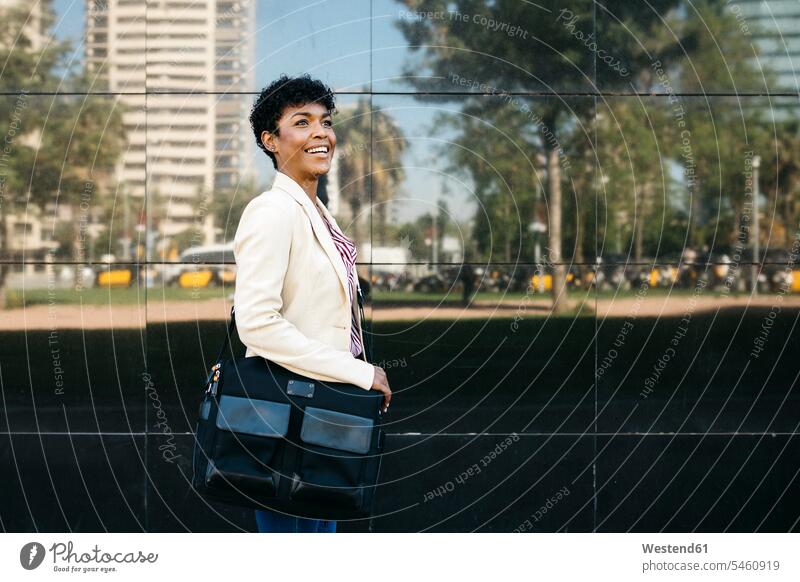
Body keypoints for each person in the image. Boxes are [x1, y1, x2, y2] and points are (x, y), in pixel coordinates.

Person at [233, 75, 392, 533]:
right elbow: (257, 324)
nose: (321, 133)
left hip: (322, 414)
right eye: (302, 123)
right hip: (287, 418)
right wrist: (360, 372)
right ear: (271, 140)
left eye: (325, 121)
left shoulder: (317, 211)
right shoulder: (272, 211)